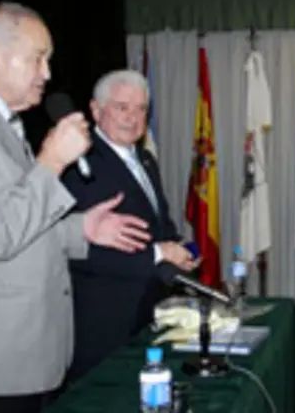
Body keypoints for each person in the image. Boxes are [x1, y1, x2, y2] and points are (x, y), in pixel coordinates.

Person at [0, 2, 152, 413]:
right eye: (38, 58)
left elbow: (19, 218)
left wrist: (80, 229)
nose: (46, 73)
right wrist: (52, 162)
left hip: (31, 353)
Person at [62, 70, 198, 382]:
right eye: (122, 107)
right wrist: (156, 254)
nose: (133, 118)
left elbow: (161, 228)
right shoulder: (79, 163)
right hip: (101, 319)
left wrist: (184, 250)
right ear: (96, 110)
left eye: (141, 109)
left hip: (149, 311)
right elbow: (78, 250)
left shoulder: (145, 159)